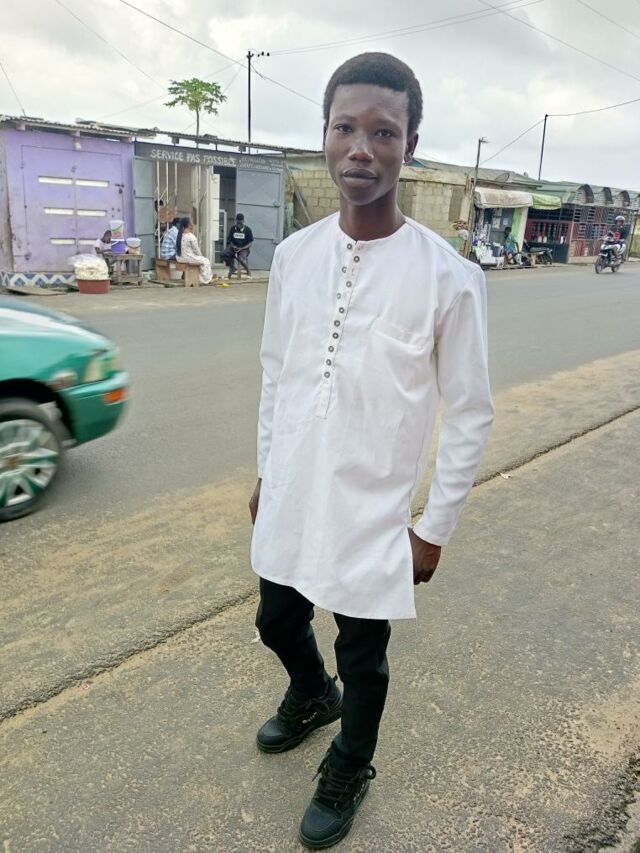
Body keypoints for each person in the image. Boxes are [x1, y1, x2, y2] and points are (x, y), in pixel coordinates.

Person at [249, 52, 494, 849]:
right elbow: (278, 374)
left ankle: (351, 761)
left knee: (364, 654)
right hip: (293, 487)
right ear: (324, 134)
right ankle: (310, 693)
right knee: (276, 616)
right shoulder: (295, 257)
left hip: (373, 508)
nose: (361, 148)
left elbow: (470, 412)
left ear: (409, 145)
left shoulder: (448, 278)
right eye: (345, 127)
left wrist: (434, 527)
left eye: (383, 132)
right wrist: (266, 470)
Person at [175, 217, 217, 285]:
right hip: (187, 258)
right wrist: (201, 256)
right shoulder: (191, 236)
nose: (193, 224)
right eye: (192, 223)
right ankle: (206, 280)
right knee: (205, 261)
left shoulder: (180, 235)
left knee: (200, 260)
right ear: (189, 225)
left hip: (179, 258)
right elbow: (196, 250)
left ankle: (200, 277)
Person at [225, 213, 254, 278]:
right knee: (224, 254)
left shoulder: (248, 230)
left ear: (243, 221)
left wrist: (242, 248)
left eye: (240, 223)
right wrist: (233, 246)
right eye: (237, 223)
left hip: (244, 249)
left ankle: (248, 270)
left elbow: (250, 243)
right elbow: (230, 240)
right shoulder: (233, 229)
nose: (239, 225)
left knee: (241, 259)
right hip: (234, 248)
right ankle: (232, 268)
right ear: (236, 221)